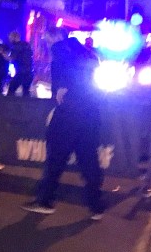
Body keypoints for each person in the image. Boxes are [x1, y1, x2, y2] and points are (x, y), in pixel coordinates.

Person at [23, 37, 106, 219]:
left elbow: (61, 81)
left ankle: (45, 200)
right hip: (90, 116)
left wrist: (62, 86)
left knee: (55, 160)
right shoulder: (88, 56)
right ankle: (96, 206)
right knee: (88, 160)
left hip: (68, 116)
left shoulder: (61, 52)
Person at [6, 30, 34, 96]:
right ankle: (27, 105)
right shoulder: (27, 45)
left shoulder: (16, 47)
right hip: (29, 72)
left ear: (14, 37)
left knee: (11, 91)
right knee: (26, 92)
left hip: (21, 72)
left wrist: (3, 54)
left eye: (10, 38)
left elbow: (12, 58)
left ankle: (9, 105)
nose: (9, 40)